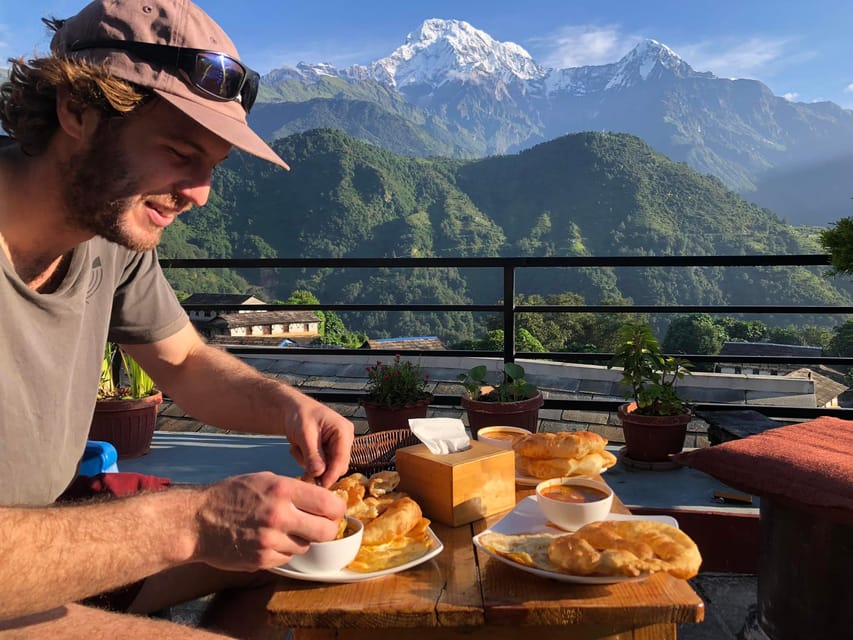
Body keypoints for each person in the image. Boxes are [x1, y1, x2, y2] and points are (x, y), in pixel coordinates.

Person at [0, 1, 355, 638]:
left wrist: (286, 406)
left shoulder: (106, 232)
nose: (198, 193)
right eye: (178, 151)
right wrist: (189, 521)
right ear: (76, 110)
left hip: (51, 533)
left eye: (212, 167)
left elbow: (186, 361)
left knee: (295, 552)